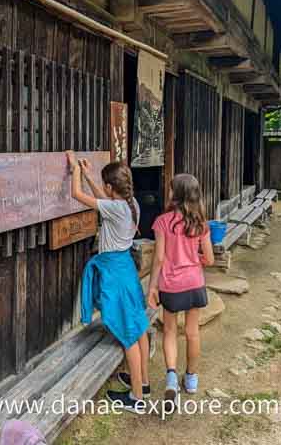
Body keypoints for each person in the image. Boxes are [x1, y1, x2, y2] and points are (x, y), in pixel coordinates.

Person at [66, 152, 150, 413]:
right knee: (138, 327)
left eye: (105, 185)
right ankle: (143, 383)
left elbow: (78, 196)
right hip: (126, 270)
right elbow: (102, 200)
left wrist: (75, 170)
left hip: (116, 275)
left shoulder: (115, 207)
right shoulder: (130, 203)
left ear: (111, 187)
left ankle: (136, 398)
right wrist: (91, 175)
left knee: (129, 336)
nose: (103, 189)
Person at [147, 174, 214, 401]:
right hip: (195, 283)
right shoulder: (200, 222)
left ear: (176, 194)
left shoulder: (163, 222)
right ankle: (192, 380)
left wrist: (152, 288)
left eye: (170, 189)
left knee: (170, 331)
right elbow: (211, 259)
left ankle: (172, 378)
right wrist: (196, 260)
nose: (167, 192)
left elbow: (158, 259)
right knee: (193, 333)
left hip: (171, 285)